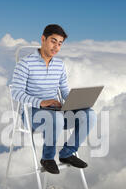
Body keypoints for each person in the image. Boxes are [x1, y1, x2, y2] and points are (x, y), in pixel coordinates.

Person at [10, 24, 96, 174]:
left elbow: (63, 91)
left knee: (89, 115)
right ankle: (47, 158)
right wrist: (41, 102)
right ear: (43, 39)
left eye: (60, 43)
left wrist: (75, 102)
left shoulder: (59, 65)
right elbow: (16, 93)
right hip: (32, 113)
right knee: (56, 118)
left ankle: (67, 153)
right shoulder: (25, 64)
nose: (56, 47)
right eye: (53, 41)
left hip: (56, 111)